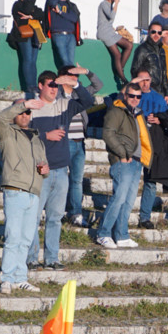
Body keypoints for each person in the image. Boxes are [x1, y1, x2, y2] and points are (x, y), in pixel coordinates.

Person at [29, 68, 92, 269]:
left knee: (55, 218)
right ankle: (31, 258)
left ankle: (52, 258)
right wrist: (45, 136)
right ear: (40, 86)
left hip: (61, 171)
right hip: (40, 171)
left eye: (56, 85)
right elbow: (20, 136)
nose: (54, 89)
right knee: (33, 217)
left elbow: (88, 102)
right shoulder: (31, 108)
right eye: (50, 85)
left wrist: (75, 84)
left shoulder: (64, 105)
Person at [0, 96, 48, 292]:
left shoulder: (37, 139)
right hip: (15, 190)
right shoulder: (7, 132)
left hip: (33, 193)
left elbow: (44, 164)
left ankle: (20, 277)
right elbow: (1, 117)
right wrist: (24, 104)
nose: (25, 115)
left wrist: (45, 170)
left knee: (26, 239)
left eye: (28, 112)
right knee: (13, 237)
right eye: (21, 111)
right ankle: (7, 278)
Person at [95, 82, 145, 249]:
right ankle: (103, 233)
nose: (135, 99)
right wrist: (122, 154)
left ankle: (122, 235)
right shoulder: (116, 111)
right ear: (125, 95)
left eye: (138, 96)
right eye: (132, 96)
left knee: (128, 201)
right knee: (119, 198)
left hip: (136, 161)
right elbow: (108, 133)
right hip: (123, 161)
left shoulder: (137, 113)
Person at [132, 69, 168, 230]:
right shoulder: (132, 96)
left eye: (147, 80)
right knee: (130, 181)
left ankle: (144, 217)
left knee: (150, 182)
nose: (144, 83)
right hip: (134, 143)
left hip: (152, 144)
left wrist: (160, 119)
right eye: (141, 80)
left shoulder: (159, 98)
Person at [61, 64, 102, 228]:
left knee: (77, 181)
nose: (75, 79)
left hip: (80, 142)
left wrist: (87, 72)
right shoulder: (57, 95)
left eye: (77, 76)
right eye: (72, 75)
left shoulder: (81, 93)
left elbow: (98, 85)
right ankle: (58, 210)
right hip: (65, 142)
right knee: (60, 179)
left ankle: (76, 213)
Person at [7, 0, 42, 97]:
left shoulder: (34, 7)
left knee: (33, 62)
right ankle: (29, 86)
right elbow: (25, 9)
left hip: (36, 35)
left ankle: (34, 85)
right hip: (24, 35)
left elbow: (41, 14)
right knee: (27, 60)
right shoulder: (17, 5)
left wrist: (30, 16)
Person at [95, 0, 131, 88]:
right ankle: (123, 79)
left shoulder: (110, 5)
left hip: (110, 32)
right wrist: (117, 4)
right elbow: (111, 16)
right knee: (117, 55)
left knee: (128, 45)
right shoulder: (104, 4)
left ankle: (119, 70)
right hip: (104, 32)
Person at [44, 0, 80, 70]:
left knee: (70, 62)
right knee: (65, 61)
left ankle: (68, 77)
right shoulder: (51, 1)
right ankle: (68, 77)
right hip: (58, 34)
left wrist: (60, 12)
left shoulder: (71, 5)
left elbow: (74, 18)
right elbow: (53, 3)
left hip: (71, 35)